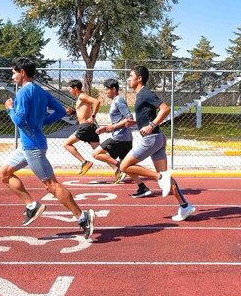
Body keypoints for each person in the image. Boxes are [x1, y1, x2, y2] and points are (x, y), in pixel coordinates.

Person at [0, 58, 95, 239]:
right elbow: (60, 112)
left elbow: (18, 120)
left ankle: (83, 218)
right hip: (28, 145)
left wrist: (9, 108)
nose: (12, 76)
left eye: (14, 72)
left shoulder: (22, 93)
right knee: (3, 174)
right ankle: (32, 205)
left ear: (22, 72)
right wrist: (40, 123)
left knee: (52, 185)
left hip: (33, 147)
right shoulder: (40, 91)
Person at [119, 65, 195, 221]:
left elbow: (165, 109)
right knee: (167, 177)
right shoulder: (140, 95)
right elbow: (147, 115)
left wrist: (151, 125)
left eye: (130, 75)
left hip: (151, 139)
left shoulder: (145, 93)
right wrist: (137, 122)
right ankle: (185, 206)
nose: (128, 78)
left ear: (139, 78)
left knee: (124, 166)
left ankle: (158, 177)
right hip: (157, 139)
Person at [62, 79, 118, 177]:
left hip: (86, 127)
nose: (69, 91)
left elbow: (96, 102)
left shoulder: (82, 96)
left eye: (70, 89)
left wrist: (93, 116)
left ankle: (84, 162)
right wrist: (73, 112)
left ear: (75, 88)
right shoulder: (80, 98)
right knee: (98, 152)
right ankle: (116, 169)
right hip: (90, 128)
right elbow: (83, 112)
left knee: (67, 144)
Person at [93, 78, 133, 185]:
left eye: (107, 89)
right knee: (129, 167)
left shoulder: (119, 100)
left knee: (96, 153)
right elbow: (118, 122)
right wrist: (105, 129)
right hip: (124, 138)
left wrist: (112, 127)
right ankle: (145, 184)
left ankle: (118, 167)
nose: (105, 92)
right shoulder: (116, 101)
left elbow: (129, 118)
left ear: (114, 89)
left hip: (120, 138)